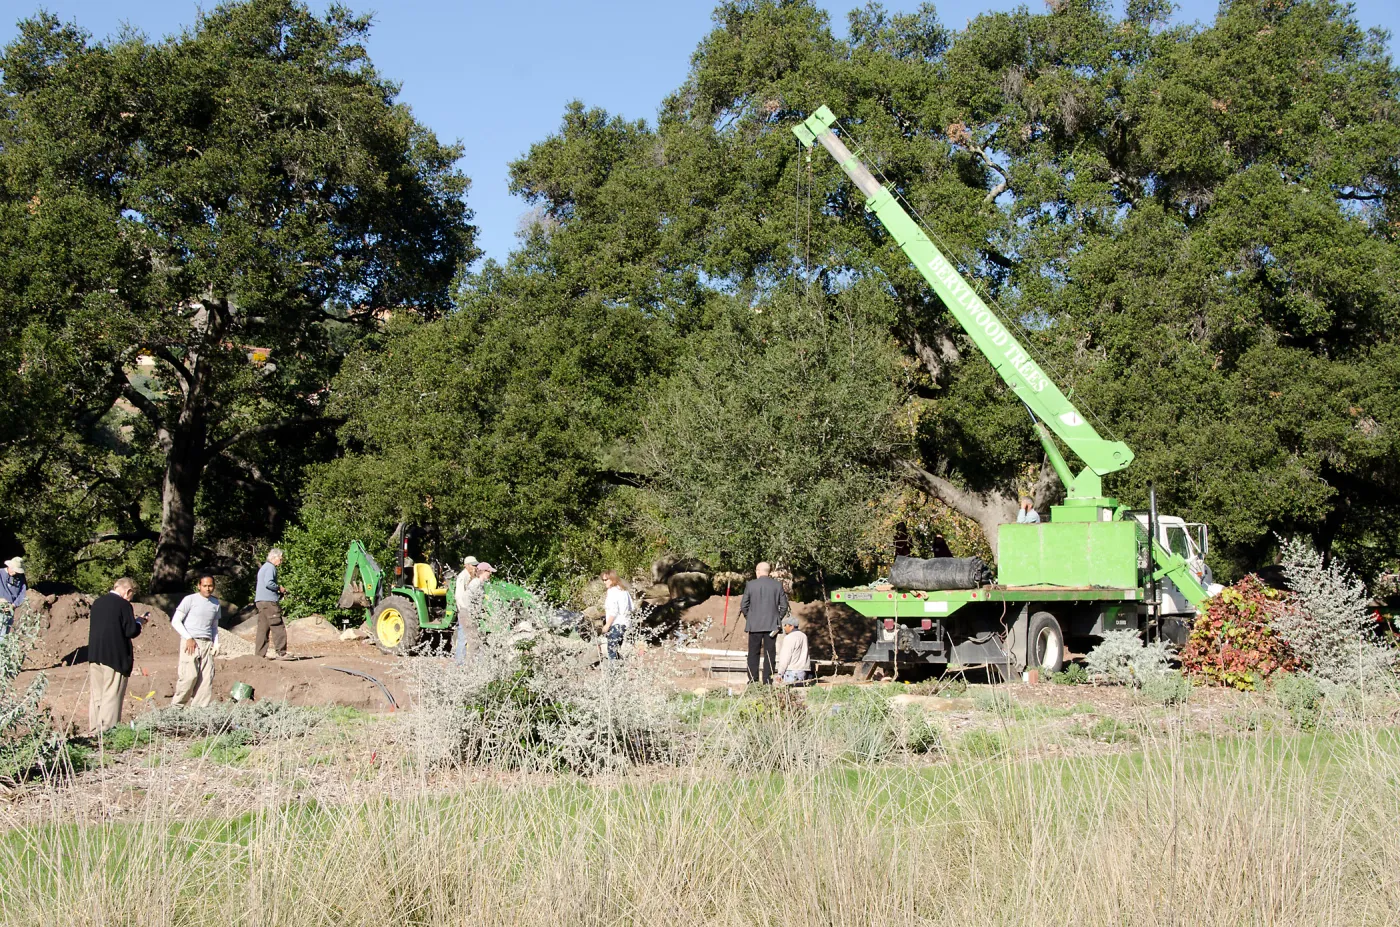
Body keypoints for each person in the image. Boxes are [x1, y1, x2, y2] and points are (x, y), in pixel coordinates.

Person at [87, 577, 145, 734]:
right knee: (111, 694)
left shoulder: (97, 602)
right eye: (132, 595)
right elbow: (130, 631)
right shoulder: (123, 605)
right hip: (115, 656)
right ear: (128, 591)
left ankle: (95, 730)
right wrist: (139, 622)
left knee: (97, 695)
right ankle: (106, 731)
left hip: (95, 654)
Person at [171, 574, 220, 707]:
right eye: (205, 586)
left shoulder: (215, 603)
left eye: (210, 586)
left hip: (207, 643)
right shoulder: (190, 599)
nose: (208, 589)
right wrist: (188, 637)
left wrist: (216, 643)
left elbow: (214, 626)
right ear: (199, 586)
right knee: (189, 676)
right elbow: (176, 621)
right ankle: (176, 708)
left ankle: (198, 712)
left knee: (206, 679)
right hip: (191, 642)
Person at [739, 562, 789, 685]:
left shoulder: (751, 585)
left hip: (754, 626)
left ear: (758, 571)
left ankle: (753, 680)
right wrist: (777, 618)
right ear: (768, 572)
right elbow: (784, 606)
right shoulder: (777, 585)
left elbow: (744, 605)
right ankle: (767, 680)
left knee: (753, 653)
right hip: (772, 626)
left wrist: (749, 617)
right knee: (769, 654)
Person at [254, 548, 288, 660]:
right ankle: (281, 653)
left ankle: (259, 655)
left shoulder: (264, 567)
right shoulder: (270, 567)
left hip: (260, 601)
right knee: (277, 625)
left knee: (263, 628)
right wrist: (279, 588)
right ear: (274, 557)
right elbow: (269, 583)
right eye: (280, 559)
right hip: (269, 601)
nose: (281, 561)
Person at [600, 569, 634, 662]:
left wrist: (607, 625)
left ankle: (614, 669)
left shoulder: (612, 591)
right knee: (617, 650)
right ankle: (620, 667)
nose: (604, 582)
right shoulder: (624, 590)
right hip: (626, 624)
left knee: (612, 651)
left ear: (612, 579)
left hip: (616, 625)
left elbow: (613, 611)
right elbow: (632, 607)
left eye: (606, 580)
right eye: (603, 580)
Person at [453, 556, 479, 664]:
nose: (475, 567)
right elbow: (459, 596)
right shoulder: (462, 577)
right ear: (466, 565)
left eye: (476, 565)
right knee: (463, 636)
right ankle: (460, 662)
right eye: (473, 565)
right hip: (465, 610)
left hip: (470, 610)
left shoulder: (472, 576)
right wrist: (465, 610)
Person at [774, 615, 810, 685]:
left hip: (792, 671)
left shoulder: (789, 637)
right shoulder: (803, 636)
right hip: (803, 671)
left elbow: (785, 657)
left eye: (786, 625)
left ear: (791, 626)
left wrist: (780, 673)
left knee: (788, 690)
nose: (784, 627)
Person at [0, 556, 25, 639]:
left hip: (9, 611)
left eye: (17, 571)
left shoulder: (20, 579)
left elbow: (22, 593)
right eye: (13, 570)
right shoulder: (0, 574)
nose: (14, 573)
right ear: (9, 566)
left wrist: (14, 605)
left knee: (4, 635)